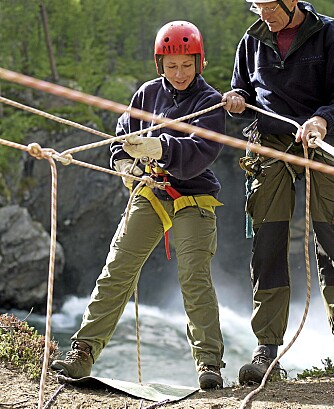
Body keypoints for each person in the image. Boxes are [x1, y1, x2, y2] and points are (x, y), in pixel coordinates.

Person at [51, 20, 227, 389]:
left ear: (200, 62)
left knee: (194, 275)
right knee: (117, 270)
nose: (180, 73)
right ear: (160, 64)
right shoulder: (147, 94)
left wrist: (162, 148)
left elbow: (200, 154)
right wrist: (124, 162)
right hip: (151, 190)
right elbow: (123, 133)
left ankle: (209, 364)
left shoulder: (210, 102)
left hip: (193, 194)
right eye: (172, 65)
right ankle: (82, 352)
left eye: (187, 65)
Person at [222, 0, 334, 385]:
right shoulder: (251, 41)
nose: (264, 15)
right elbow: (242, 90)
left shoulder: (328, 36)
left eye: (270, 7)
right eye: (259, 8)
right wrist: (234, 98)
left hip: (321, 144)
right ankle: (267, 350)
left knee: (331, 238)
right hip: (270, 145)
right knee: (268, 242)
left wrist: (322, 118)